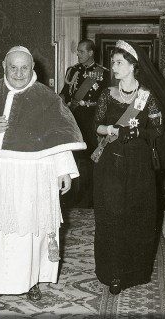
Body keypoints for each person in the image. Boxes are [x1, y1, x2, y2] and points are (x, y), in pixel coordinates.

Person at [0, 46, 86, 307]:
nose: (18, 73)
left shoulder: (48, 99)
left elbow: (59, 136)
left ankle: (31, 281)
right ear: (4, 66)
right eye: (13, 67)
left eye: (24, 68)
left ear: (32, 69)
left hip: (34, 172)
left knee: (31, 228)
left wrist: (64, 171)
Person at [91, 40, 165, 295]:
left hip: (139, 164)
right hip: (110, 163)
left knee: (137, 214)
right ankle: (113, 272)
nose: (113, 67)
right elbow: (96, 125)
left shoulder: (146, 97)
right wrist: (109, 129)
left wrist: (136, 130)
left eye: (118, 63)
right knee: (112, 215)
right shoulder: (107, 95)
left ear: (132, 66)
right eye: (113, 62)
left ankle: (135, 270)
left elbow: (157, 129)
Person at [59, 39, 108, 208]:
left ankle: (90, 198)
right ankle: (73, 195)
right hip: (74, 117)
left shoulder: (103, 73)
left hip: (92, 119)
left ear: (90, 53)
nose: (78, 54)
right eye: (78, 51)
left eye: (81, 51)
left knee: (90, 158)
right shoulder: (72, 71)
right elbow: (64, 94)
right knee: (73, 156)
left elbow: (106, 101)